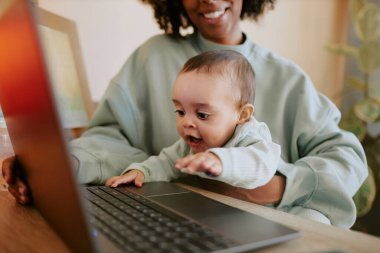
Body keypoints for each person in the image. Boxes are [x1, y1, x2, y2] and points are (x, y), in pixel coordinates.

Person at [2, 0, 367, 228]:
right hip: (175, 224)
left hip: (263, 225)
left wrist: (277, 188)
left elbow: (344, 156)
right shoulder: (151, 57)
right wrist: (58, 166)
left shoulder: (288, 78)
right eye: (179, 111)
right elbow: (111, 140)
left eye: (202, 113)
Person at [106, 50, 281, 189]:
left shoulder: (251, 138)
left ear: (242, 115)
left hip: (262, 214)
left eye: (202, 115)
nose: (187, 122)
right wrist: (141, 172)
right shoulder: (190, 144)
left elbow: (261, 164)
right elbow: (166, 162)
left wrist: (220, 160)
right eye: (181, 112)